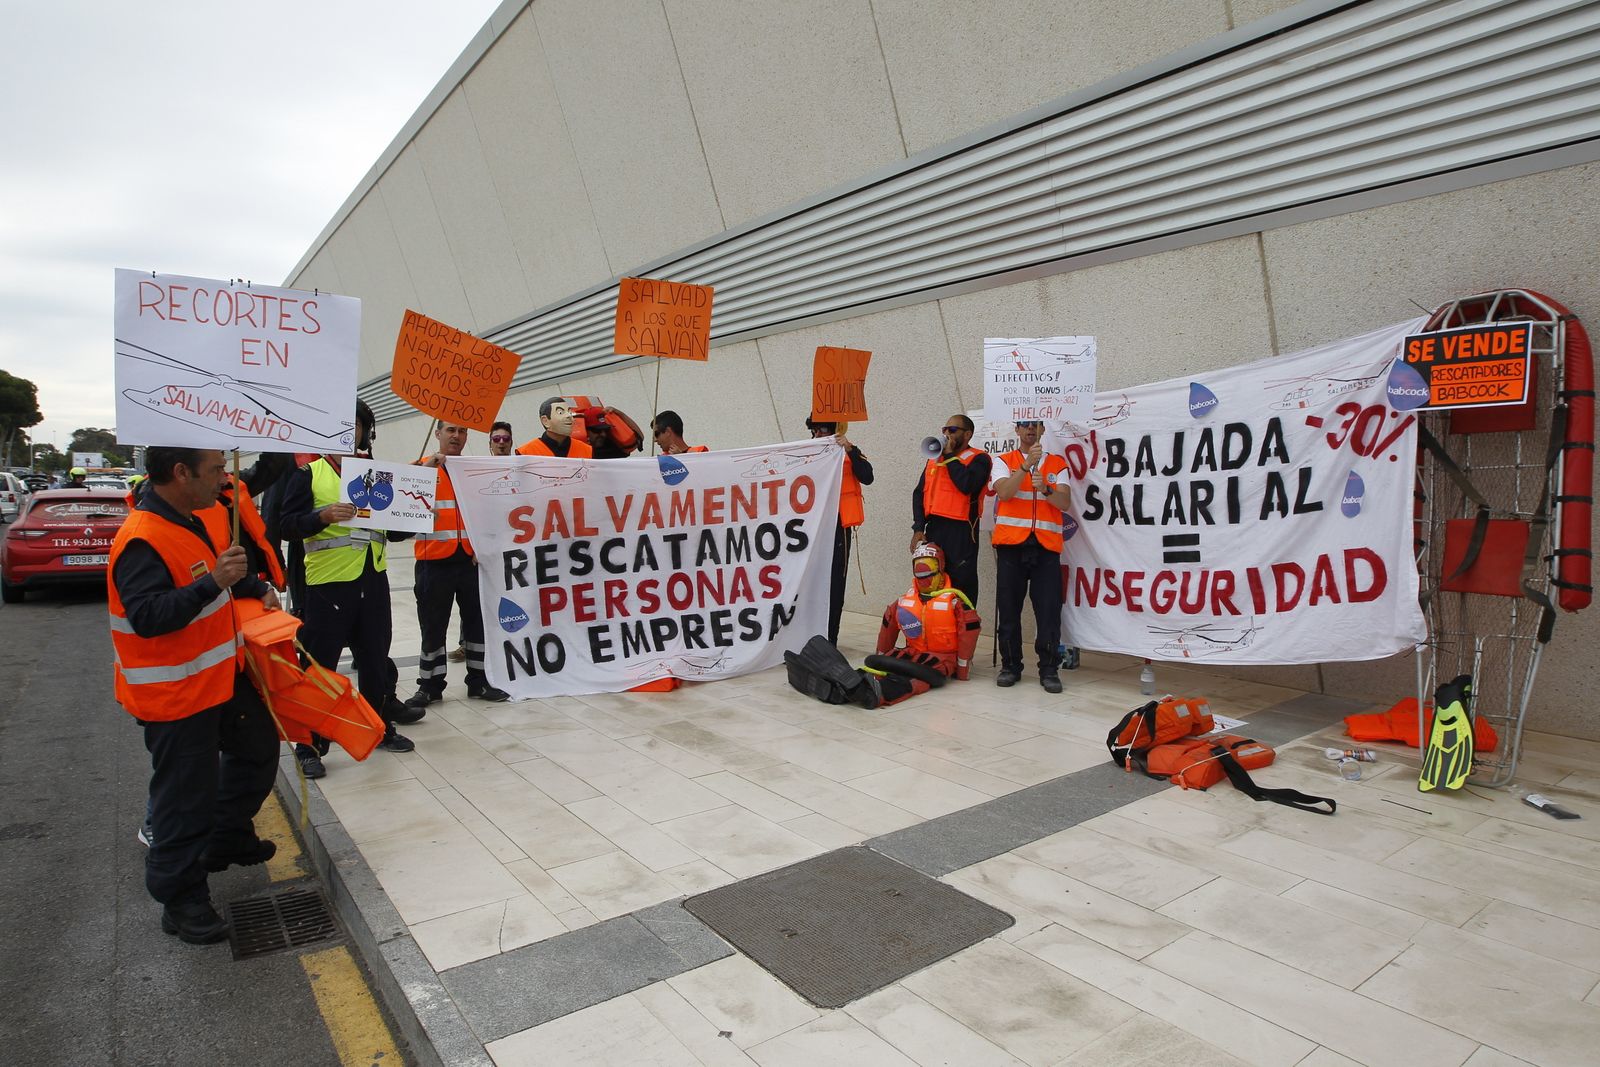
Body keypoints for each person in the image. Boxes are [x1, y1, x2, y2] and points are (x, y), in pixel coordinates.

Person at [108, 446, 282, 944]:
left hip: (218, 680)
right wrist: (217, 586)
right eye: (215, 471)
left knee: (258, 752)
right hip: (175, 694)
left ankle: (225, 836)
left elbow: (210, 572)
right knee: (184, 799)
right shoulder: (143, 538)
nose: (224, 479)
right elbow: (149, 618)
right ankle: (181, 898)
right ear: (181, 473)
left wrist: (248, 584)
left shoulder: (187, 519)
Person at [278, 401, 417, 778]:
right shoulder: (310, 474)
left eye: (354, 425)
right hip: (328, 584)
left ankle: (376, 727)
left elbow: (397, 529)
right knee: (320, 666)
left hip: (373, 578)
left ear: (364, 431)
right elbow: (286, 526)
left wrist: (415, 510)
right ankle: (309, 743)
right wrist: (320, 517)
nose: (347, 432)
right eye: (339, 424)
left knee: (375, 659)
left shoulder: (378, 473)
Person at [785, 542, 981, 709]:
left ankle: (873, 693)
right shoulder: (904, 601)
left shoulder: (955, 602)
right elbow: (888, 627)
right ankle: (841, 678)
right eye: (919, 568)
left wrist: (962, 671)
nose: (924, 575)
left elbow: (968, 634)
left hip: (939, 661)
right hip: (910, 653)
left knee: (915, 681)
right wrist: (880, 658)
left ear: (940, 567)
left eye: (928, 567)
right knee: (880, 668)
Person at [405, 422, 510, 712]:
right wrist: (426, 468)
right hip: (432, 560)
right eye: (450, 430)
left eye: (462, 432)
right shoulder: (419, 466)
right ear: (437, 434)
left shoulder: (473, 471)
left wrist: (484, 547)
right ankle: (429, 685)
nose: (456, 436)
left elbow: (491, 511)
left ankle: (479, 681)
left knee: (477, 624)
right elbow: (400, 498)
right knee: (432, 627)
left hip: (470, 561)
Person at [989, 419, 1073, 692]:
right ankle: (1010, 666)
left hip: (1045, 546)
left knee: (1048, 611)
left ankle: (1049, 669)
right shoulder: (1004, 460)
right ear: (1016, 430)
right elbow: (1003, 492)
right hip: (1012, 545)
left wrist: (1046, 489)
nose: (1030, 429)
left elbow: (1064, 502)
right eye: (1024, 425)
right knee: (1009, 609)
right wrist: (1025, 467)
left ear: (1043, 430)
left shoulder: (1057, 463)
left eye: (1035, 425)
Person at [806, 417, 874, 644]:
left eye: (823, 430)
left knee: (835, 586)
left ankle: (829, 640)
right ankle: (806, 639)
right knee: (809, 585)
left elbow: (868, 476)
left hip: (838, 528)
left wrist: (849, 448)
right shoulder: (805, 453)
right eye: (814, 430)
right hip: (810, 529)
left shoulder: (848, 452)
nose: (817, 434)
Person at [911, 413, 990, 604]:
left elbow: (967, 485)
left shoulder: (980, 459)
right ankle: (935, 626)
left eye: (953, 430)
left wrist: (949, 455)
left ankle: (963, 629)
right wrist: (919, 527)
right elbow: (919, 493)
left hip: (961, 532)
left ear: (968, 434)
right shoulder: (933, 460)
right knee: (932, 579)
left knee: (960, 584)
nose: (947, 433)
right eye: (944, 430)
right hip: (935, 529)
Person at [517, 397, 592, 458]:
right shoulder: (526, 453)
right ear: (545, 421)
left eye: (569, 412)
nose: (569, 416)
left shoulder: (587, 450)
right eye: (560, 412)